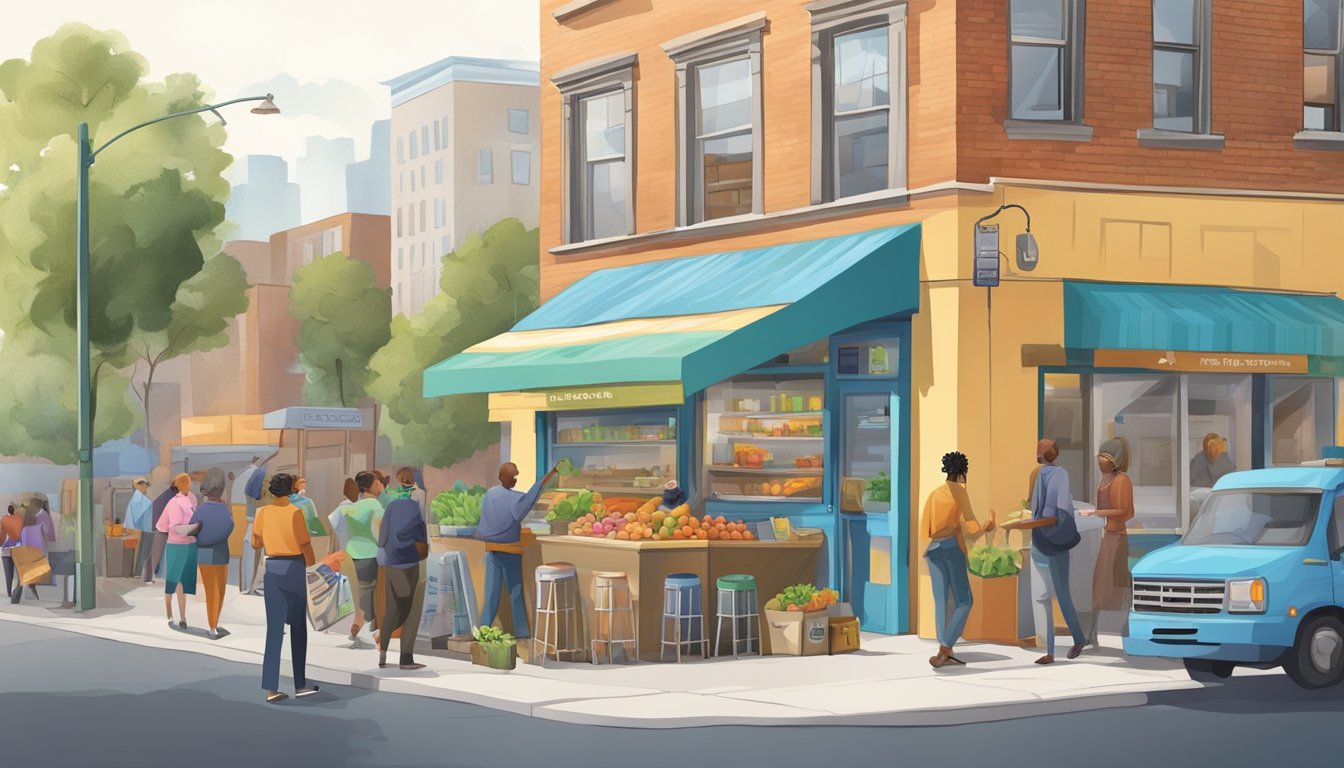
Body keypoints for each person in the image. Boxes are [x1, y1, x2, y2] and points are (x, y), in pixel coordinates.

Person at [922, 451, 995, 669]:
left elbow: (927, 526)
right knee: (964, 600)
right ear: (963, 472)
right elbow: (971, 525)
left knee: (942, 600)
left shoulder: (935, 493)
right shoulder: (959, 491)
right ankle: (945, 649)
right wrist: (987, 526)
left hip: (932, 548)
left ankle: (946, 649)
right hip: (951, 548)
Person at [251, 473, 319, 703]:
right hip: (293, 568)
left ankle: (271, 688)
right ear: (290, 490)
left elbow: (255, 542)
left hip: (272, 568)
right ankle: (300, 683)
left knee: (274, 629)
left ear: (271, 491)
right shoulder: (295, 512)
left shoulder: (262, 513)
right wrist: (313, 564)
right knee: (298, 627)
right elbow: (304, 542)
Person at [475, 462, 561, 640]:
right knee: (515, 592)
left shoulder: (491, 493)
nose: (515, 479)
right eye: (514, 476)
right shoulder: (516, 499)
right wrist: (551, 473)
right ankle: (522, 634)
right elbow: (531, 498)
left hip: (491, 548)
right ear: (507, 478)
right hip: (510, 550)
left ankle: (483, 630)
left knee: (491, 592)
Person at [1025, 439, 1086, 664]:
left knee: (1060, 593)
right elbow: (1036, 505)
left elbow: (1060, 507)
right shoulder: (1038, 474)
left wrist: (1045, 520)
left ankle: (1078, 638)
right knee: (1043, 596)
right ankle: (1049, 650)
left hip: (1053, 540)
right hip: (1040, 539)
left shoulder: (1059, 474)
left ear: (1043, 453)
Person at [1081, 438, 1135, 646]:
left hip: (1116, 538)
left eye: (1106, 457)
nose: (1101, 461)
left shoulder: (1122, 481)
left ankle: (1111, 628)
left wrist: (1096, 513)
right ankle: (1093, 632)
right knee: (1099, 584)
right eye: (1100, 457)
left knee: (1114, 583)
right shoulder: (1103, 480)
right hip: (1105, 536)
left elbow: (1125, 511)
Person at [377, 490, 429, 670]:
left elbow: (383, 533)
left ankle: (383, 650)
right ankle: (406, 657)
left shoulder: (391, 507)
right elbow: (421, 533)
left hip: (391, 561)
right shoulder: (416, 507)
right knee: (410, 608)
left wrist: (383, 551)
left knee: (392, 607)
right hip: (410, 562)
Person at [337, 473, 383, 644]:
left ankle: (356, 625)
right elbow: (379, 533)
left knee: (356, 594)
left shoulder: (350, 508)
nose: (380, 485)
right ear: (368, 487)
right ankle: (364, 630)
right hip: (369, 554)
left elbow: (340, 531)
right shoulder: (375, 506)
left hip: (350, 554)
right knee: (369, 593)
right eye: (377, 483)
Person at [192, 468, 235, 639]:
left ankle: (213, 625)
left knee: (211, 591)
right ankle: (213, 625)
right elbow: (229, 527)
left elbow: (192, 528)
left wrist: (202, 540)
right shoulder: (223, 510)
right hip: (220, 553)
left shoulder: (200, 510)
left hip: (203, 554)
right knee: (220, 590)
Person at [156, 474, 199, 629]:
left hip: (175, 545)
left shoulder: (173, 503)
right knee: (183, 583)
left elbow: (161, 526)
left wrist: (168, 529)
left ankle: (170, 615)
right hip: (190, 545)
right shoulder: (193, 500)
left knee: (172, 580)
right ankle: (183, 617)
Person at [234, 454, 274, 595]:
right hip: (257, 531)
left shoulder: (249, 486)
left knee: (250, 565)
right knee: (254, 564)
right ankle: (252, 588)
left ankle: (250, 587)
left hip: (252, 531)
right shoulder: (262, 501)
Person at [12, 496, 55, 604]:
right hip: (36, 555)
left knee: (22, 579)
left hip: (25, 554)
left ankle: (20, 594)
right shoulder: (41, 522)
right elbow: (49, 536)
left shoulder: (25, 528)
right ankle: (28, 591)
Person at [144, 483, 176, 585]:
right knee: (156, 553)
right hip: (159, 527)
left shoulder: (167, 494)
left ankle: (150, 576)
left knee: (154, 553)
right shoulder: (171, 496)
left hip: (155, 525)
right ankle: (149, 576)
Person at [124, 478, 155, 581]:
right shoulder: (140, 499)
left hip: (143, 529)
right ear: (140, 485)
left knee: (144, 552)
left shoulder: (138, 498)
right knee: (145, 553)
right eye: (145, 485)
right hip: (145, 529)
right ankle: (143, 576)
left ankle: (143, 575)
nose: (146, 488)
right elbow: (141, 514)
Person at [2, 503, 27, 600]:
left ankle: (11, 593)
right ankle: (12, 593)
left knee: (10, 574)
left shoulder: (4, 519)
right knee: (13, 574)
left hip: (9, 551)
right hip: (13, 550)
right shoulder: (18, 519)